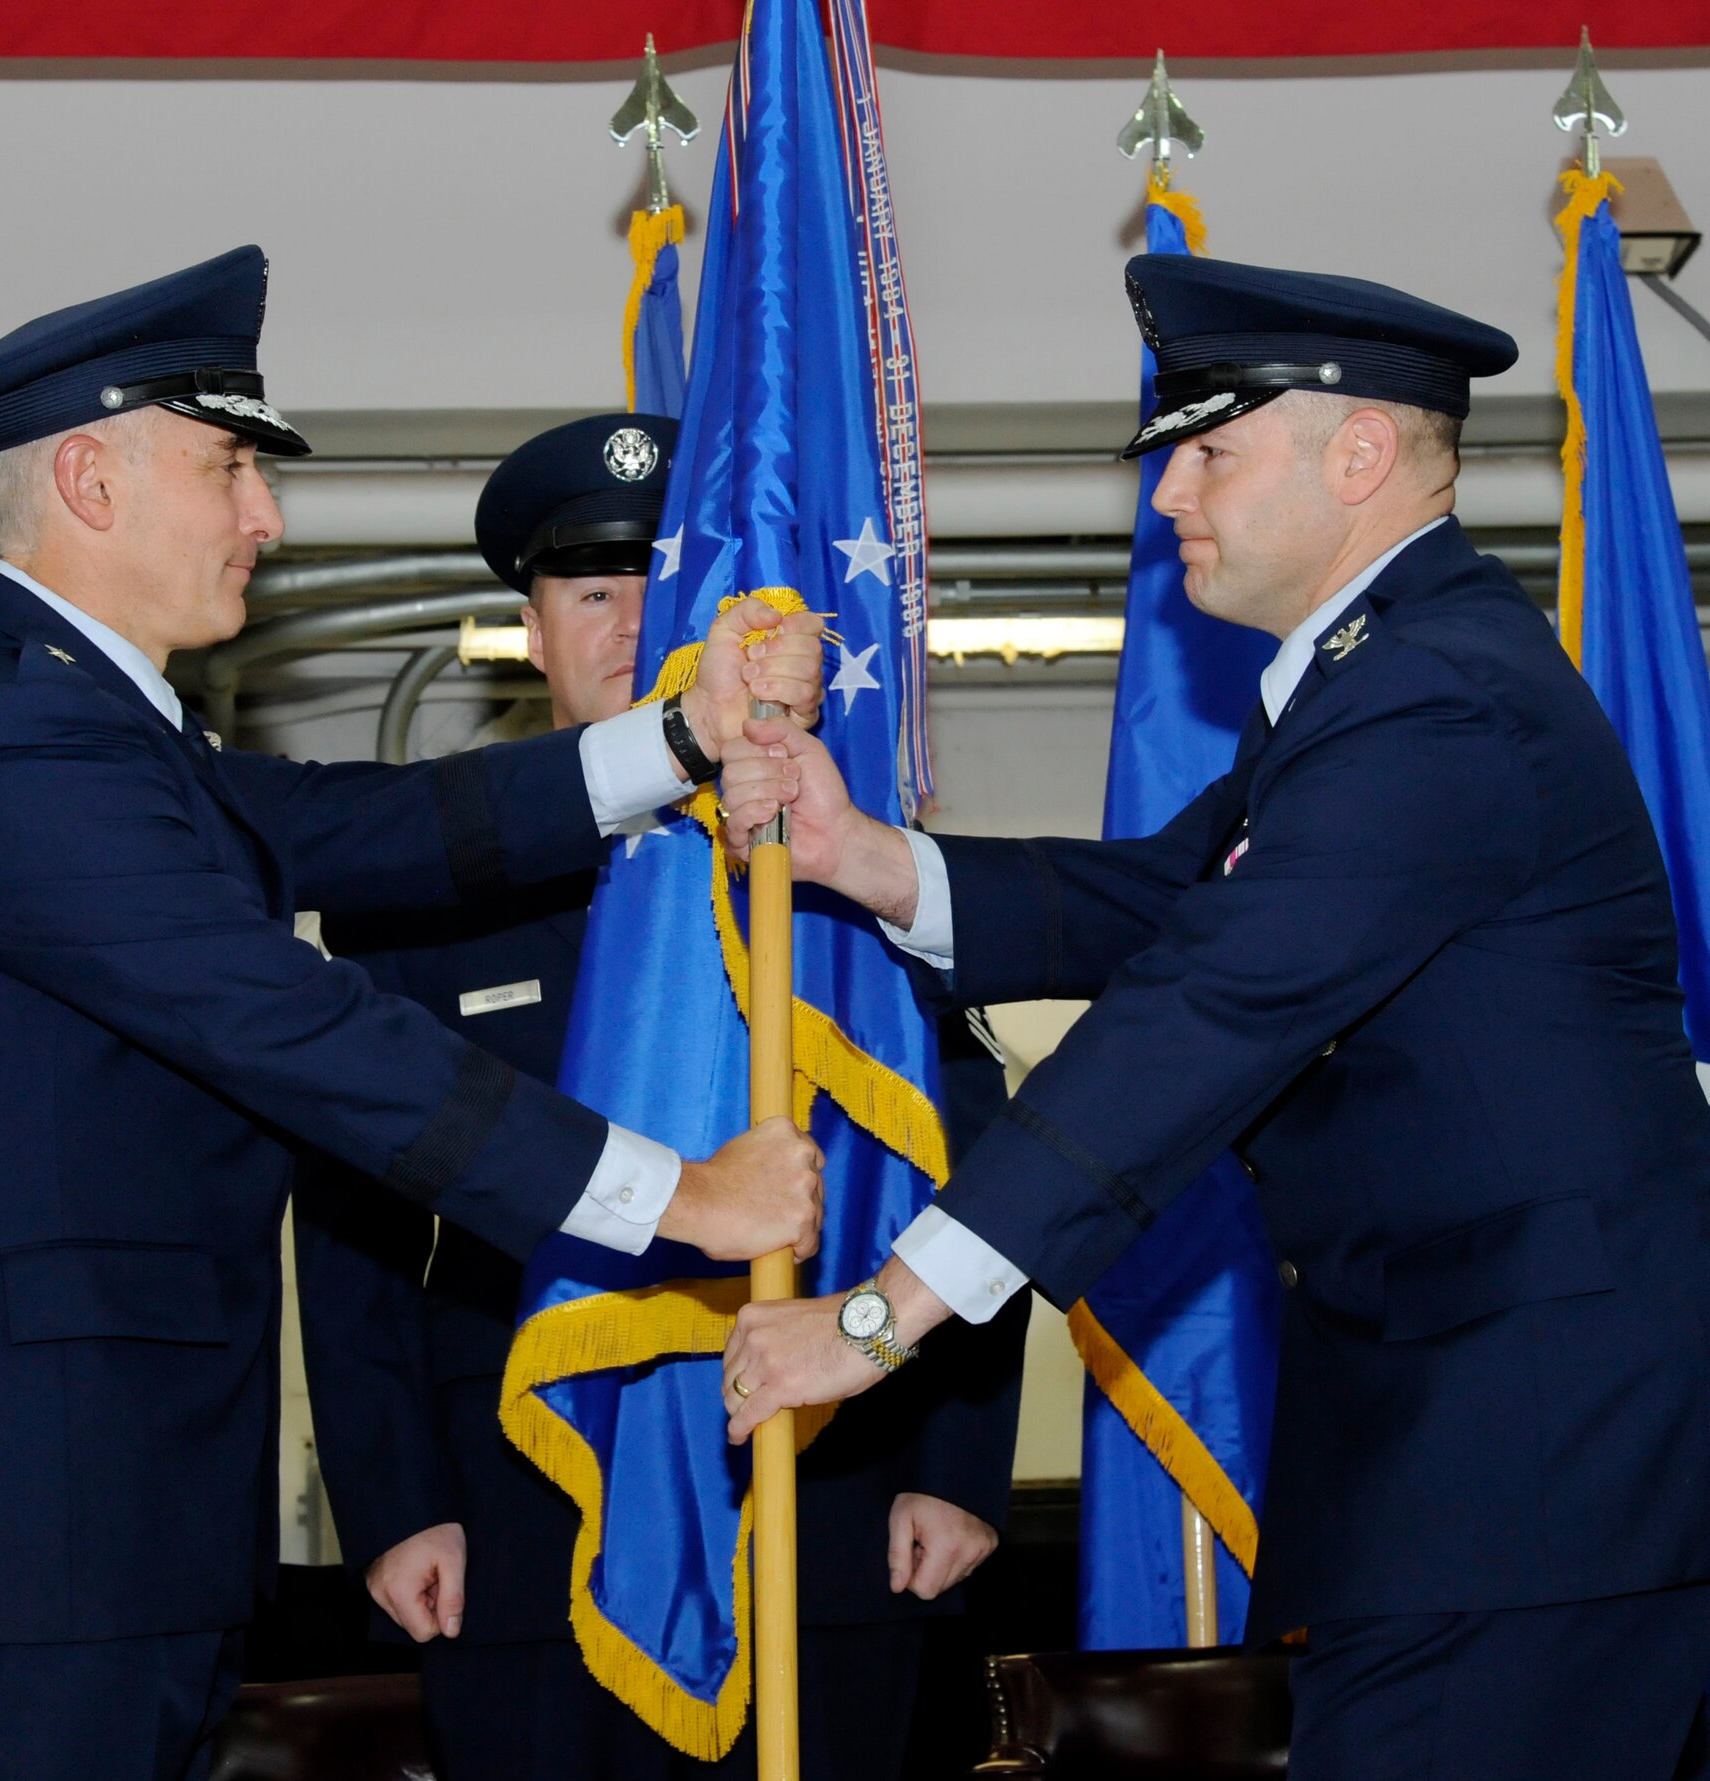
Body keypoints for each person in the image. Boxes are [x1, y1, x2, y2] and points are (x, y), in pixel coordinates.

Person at [0, 248, 829, 1781]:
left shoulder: (81, 716)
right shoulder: (13, 746)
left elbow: (367, 828)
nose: (266, 519)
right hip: (23, 1549)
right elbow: (304, 1028)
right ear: (89, 477)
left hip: (91, 1534)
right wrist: (675, 1198)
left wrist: (680, 734)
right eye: (230, 468)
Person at [716, 256, 1710, 1781]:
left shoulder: (1438, 697)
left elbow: (1206, 1001)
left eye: (1210, 449)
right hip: (1480, 1473)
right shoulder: (1363, 686)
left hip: (1541, 1474)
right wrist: (864, 856)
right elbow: (1164, 903)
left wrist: (880, 1315)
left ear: (1360, 456)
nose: (1169, 489)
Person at [294, 414, 1028, 1781]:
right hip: (522, 1501)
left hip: (830, 1487)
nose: (632, 626)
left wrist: (959, 1461)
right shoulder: (423, 892)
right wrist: (393, 1502)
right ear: (531, 627)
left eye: (665, 592)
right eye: (590, 593)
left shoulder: (838, 868)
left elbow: (969, 1153)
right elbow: (351, 1213)